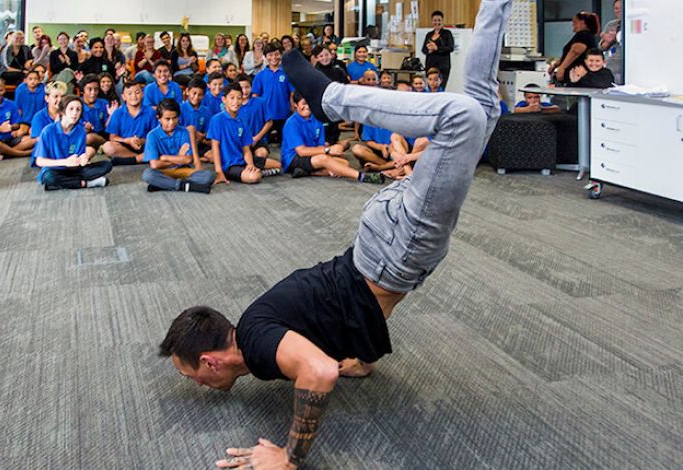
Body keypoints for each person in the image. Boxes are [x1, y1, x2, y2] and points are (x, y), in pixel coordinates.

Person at [160, 1, 512, 468]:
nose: (196, 384)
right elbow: (329, 323)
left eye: (191, 376)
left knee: (463, 119)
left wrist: (288, 457)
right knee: (482, 106)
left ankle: (330, 98)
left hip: (392, 252)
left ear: (210, 361)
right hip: (383, 248)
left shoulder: (259, 343)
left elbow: (320, 371)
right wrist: (362, 357)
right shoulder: (259, 339)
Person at [283, 92, 382, 183]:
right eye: (303, 104)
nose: (307, 106)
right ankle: (361, 176)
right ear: (296, 105)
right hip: (293, 158)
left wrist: (330, 152)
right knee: (325, 159)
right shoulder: (292, 123)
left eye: (309, 103)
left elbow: (320, 145)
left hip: (313, 156)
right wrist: (328, 150)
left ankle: (309, 172)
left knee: (344, 164)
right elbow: (302, 151)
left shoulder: (317, 120)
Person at [207, 82, 282, 185]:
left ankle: (257, 171)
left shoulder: (242, 122)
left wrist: (250, 165)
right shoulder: (216, 120)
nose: (236, 101)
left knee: (278, 165)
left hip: (243, 160)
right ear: (224, 100)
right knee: (254, 177)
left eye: (239, 98)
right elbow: (215, 147)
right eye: (232, 98)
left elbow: (246, 149)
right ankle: (257, 173)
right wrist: (219, 171)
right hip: (230, 165)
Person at [32, 95, 112, 191]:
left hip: (75, 169)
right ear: (62, 111)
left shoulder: (81, 131)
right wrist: (65, 162)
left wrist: (83, 158)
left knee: (107, 165)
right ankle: (85, 183)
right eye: (71, 109)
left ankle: (61, 184)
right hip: (56, 169)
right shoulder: (48, 131)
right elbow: (40, 161)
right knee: (48, 176)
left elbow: (80, 154)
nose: (75, 113)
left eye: (78, 110)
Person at [142, 98, 216, 193]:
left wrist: (165, 157)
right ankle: (184, 185)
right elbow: (155, 165)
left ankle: (164, 185)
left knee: (209, 176)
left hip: (183, 170)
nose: (172, 122)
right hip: (163, 172)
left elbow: (188, 159)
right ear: (158, 118)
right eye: (167, 119)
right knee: (148, 175)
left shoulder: (184, 132)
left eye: (175, 118)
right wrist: (179, 157)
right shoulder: (152, 135)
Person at [101, 80, 158, 165]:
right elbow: (113, 137)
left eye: (137, 92)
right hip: (125, 145)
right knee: (108, 147)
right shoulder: (118, 113)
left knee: (160, 147)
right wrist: (128, 141)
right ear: (123, 96)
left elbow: (155, 135)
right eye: (129, 93)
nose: (134, 96)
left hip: (145, 145)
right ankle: (140, 158)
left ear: (142, 94)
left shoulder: (151, 112)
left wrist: (141, 141)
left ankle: (131, 160)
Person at [252, 43, 294, 144]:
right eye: (270, 55)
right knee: (264, 143)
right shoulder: (260, 75)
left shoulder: (287, 73)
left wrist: (293, 108)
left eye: (276, 54)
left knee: (284, 142)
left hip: (284, 113)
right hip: (266, 115)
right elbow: (255, 95)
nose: (273, 57)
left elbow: (292, 93)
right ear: (265, 56)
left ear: (281, 55)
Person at [313, 46, 349, 145]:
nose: (324, 58)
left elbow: (345, 88)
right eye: (321, 56)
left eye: (326, 55)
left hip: (334, 105)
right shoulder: (313, 72)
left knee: (333, 132)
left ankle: (332, 144)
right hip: (319, 105)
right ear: (316, 58)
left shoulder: (339, 71)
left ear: (331, 55)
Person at [551, 11, 599, 85]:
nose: (573, 24)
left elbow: (575, 52)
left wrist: (562, 68)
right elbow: (567, 55)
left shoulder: (583, 35)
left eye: (574, 22)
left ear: (582, 22)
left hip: (576, 76)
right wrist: (555, 65)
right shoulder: (586, 35)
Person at [237, 75, 273, 163]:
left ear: (251, 87)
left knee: (261, 154)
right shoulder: (234, 105)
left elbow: (269, 122)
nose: (244, 91)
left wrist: (256, 138)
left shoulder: (261, 102)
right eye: (241, 88)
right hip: (240, 142)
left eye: (247, 87)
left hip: (258, 140)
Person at [79, 74, 116, 149]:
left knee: (91, 138)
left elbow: (107, 127)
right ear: (83, 91)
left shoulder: (103, 103)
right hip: (83, 135)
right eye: (89, 89)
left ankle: (106, 145)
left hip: (102, 135)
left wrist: (111, 115)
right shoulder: (77, 105)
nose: (93, 93)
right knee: (88, 138)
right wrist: (85, 129)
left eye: (96, 89)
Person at [180, 78, 214, 161]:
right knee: (191, 129)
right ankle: (195, 158)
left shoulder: (206, 111)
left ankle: (198, 158)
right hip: (183, 142)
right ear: (187, 91)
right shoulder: (180, 108)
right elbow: (177, 129)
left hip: (199, 142)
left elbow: (208, 131)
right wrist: (194, 133)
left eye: (200, 94)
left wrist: (202, 136)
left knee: (214, 157)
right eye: (194, 93)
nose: (196, 97)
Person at [421, 11, 455, 88]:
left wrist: (437, 48)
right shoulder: (429, 34)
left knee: (440, 87)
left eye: (439, 20)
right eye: (435, 20)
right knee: (430, 87)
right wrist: (429, 50)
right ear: (432, 21)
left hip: (442, 66)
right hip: (430, 65)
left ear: (442, 21)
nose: (437, 22)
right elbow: (424, 50)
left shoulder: (447, 33)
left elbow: (450, 48)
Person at [15, 69, 47, 133]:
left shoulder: (43, 89)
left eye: (35, 79)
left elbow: (45, 107)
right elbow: (18, 108)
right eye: (30, 79)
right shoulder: (20, 89)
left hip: (39, 119)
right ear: (25, 80)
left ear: (39, 80)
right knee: (22, 131)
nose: (33, 81)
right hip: (25, 119)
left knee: (33, 132)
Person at [600, 0, 623, 85]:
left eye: (621, 8)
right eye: (616, 8)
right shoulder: (611, 25)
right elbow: (601, 47)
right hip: (611, 68)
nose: (618, 10)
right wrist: (609, 41)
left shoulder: (632, 23)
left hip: (628, 68)